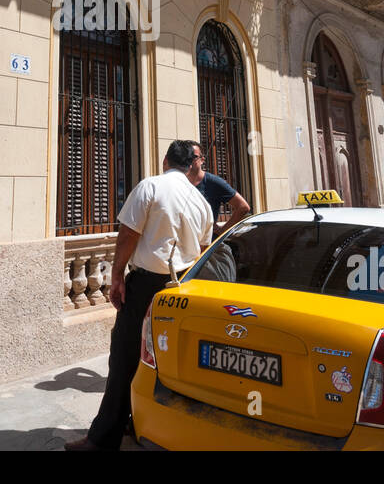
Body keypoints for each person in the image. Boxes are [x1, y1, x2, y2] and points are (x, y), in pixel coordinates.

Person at [65, 140, 214, 451]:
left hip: (147, 286)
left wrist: (116, 276)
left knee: (125, 358)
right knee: (167, 361)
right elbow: (202, 253)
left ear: (165, 161)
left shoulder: (151, 187)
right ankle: (154, 428)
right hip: (184, 289)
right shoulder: (202, 203)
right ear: (190, 165)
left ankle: (103, 438)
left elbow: (129, 234)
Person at [188, 141, 251, 238]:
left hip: (207, 247)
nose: (189, 160)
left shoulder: (213, 182)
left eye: (194, 157)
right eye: (186, 156)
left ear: (202, 160)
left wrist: (223, 231)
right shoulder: (179, 182)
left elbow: (243, 207)